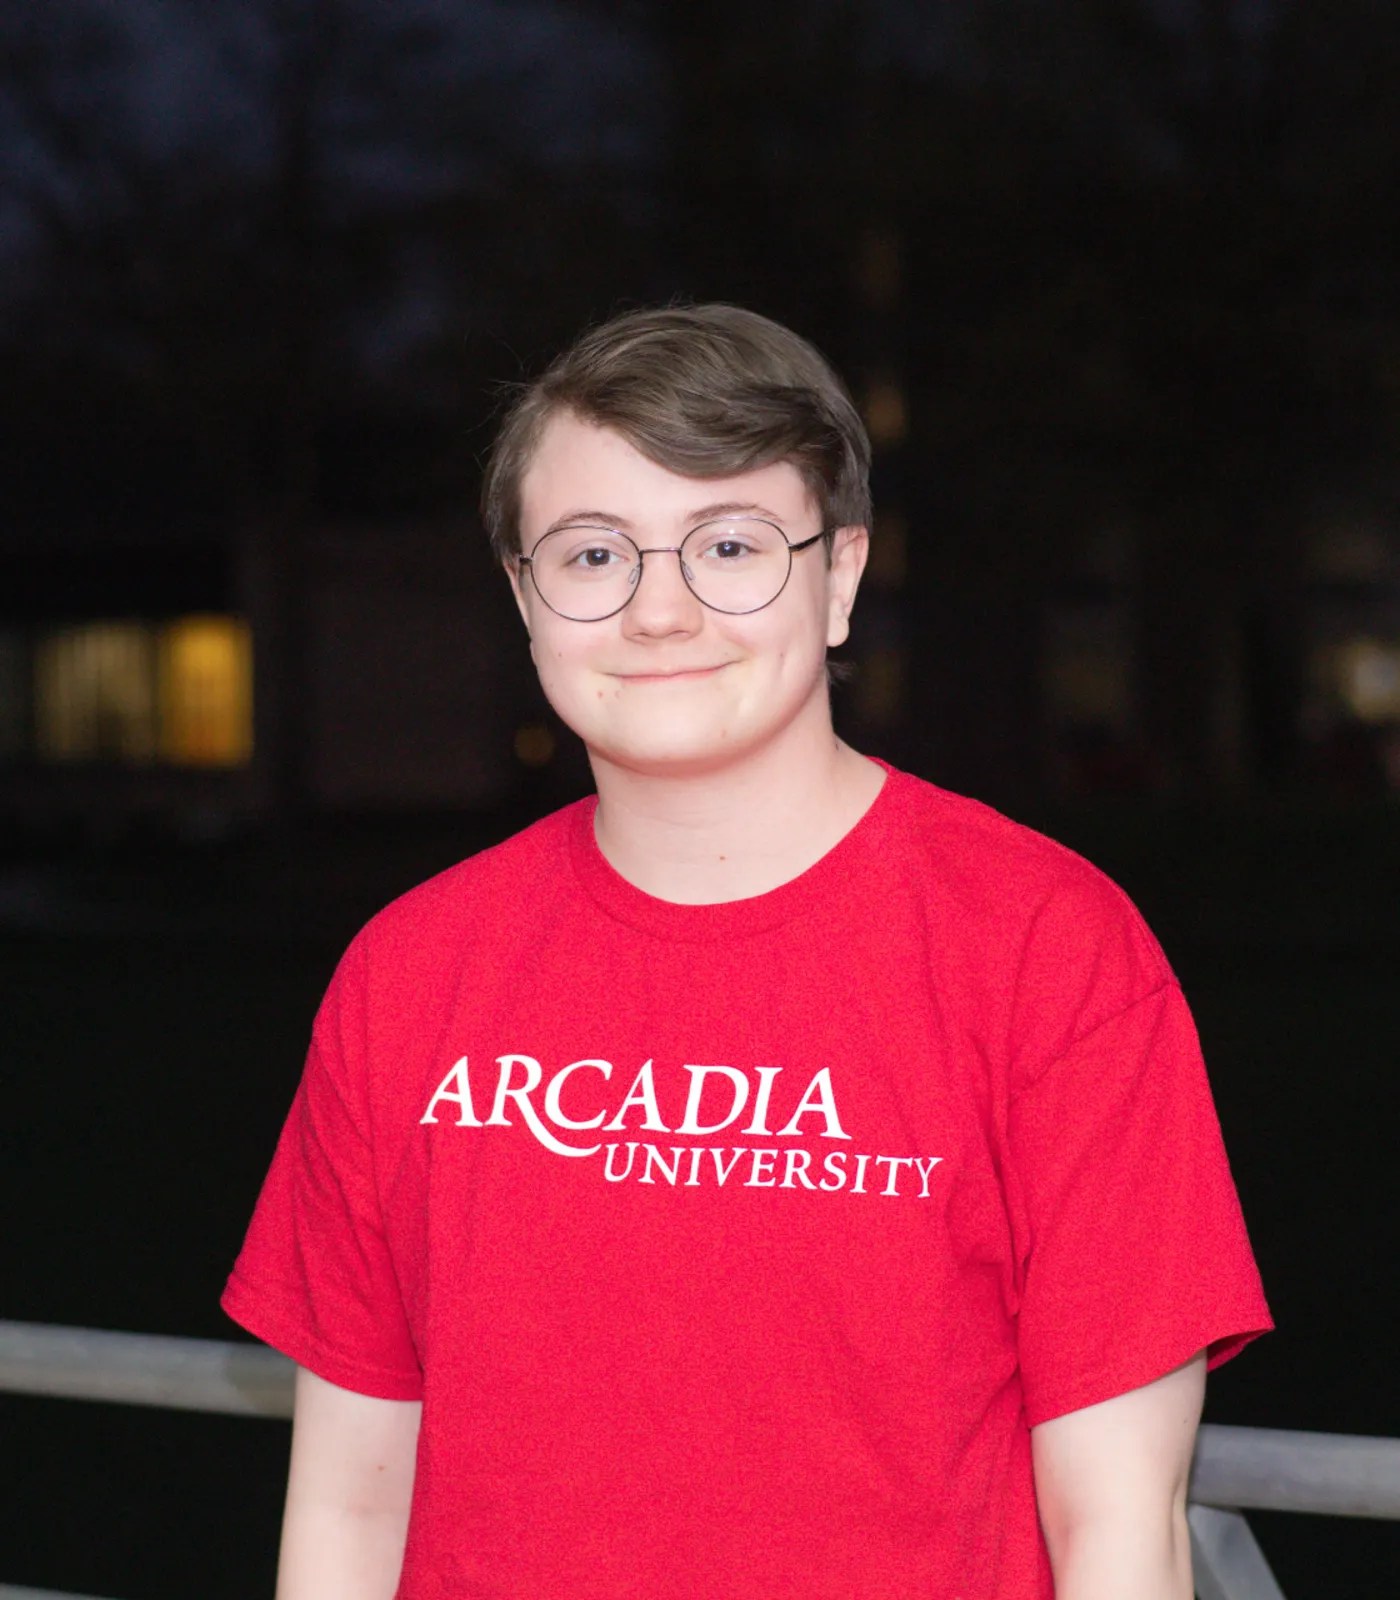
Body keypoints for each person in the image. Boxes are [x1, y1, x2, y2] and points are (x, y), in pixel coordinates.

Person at [223, 303, 1271, 1599]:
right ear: (524, 596)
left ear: (839, 577)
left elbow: (1123, 1532)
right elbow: (346, 1505)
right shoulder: (411, 970)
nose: (660, 611)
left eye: (729, 545)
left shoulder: (1048, 951)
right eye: (593, 554)